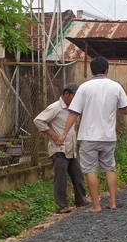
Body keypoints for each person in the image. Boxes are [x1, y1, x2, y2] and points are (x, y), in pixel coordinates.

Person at [57, 56, 127, 213]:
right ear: (106, 70)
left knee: (90, 170)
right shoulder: (116, 87)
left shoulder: (84, 88)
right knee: (109, 168)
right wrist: (119, 108)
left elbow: (74, 113)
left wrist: (64, 133)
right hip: (108, 137)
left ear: (91, 71)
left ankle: (96, 205)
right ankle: (112, 202)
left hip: (89, 136)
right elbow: (126, 109)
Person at [33, 83, 89, 214]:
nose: (76, 99)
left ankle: (81, 201)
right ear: (66, 94)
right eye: (74, 96)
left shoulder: (73, 109)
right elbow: (38, 120)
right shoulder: (55, 107)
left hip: (71, 149)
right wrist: (53, 136)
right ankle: (61, 206)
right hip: (59, 149)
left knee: (78, 176)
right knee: (61, 179)